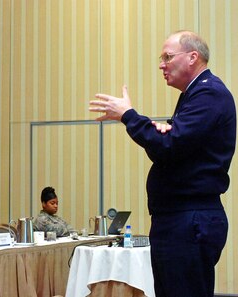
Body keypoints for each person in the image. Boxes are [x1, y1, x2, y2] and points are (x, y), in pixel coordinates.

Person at [89, 30, 236, 297]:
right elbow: (166, 151)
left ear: (193, 57)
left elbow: (169, 146)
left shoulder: (208, 94)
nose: (161, 64)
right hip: (182, 219)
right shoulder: (195, 95)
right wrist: (160, 133)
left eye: (168, 57)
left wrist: (129, 116)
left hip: (189, 219)